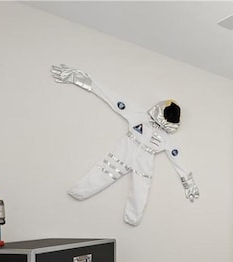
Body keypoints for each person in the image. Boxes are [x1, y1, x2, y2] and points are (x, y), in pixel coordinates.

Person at [50, 64, 199, 226]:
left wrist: (188, 183)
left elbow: (177, 159)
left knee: (141, 189)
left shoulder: (168, 138)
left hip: (146, 159)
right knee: (105, 171)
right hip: (126, 148)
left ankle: (133, 218)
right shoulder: (139, 114)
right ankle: (79, 191)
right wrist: (81, 79)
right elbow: (113, 98)